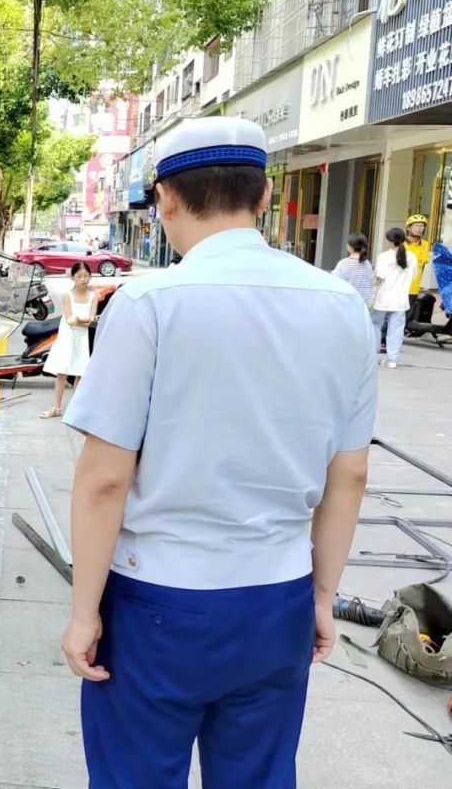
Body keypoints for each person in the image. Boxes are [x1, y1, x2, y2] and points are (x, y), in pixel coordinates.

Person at [61, 117, 376, 788]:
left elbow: (104, 481)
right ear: (264, 196)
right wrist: (322, 598)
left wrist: (85, 612)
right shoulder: (341, 305)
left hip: (158, 600)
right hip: (277, 598)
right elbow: (349, 472)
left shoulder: (148, 303)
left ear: (165, 199)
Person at [41, 262, 95, 419]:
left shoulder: (93, 297)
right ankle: (56, 407)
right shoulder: (67, 295)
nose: (83, 279)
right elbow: (70, 319)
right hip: (67, 338)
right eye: (79, 276)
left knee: (80, 373)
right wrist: (82, 321)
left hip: (82, 338)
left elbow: (91, 319)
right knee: (61, 373)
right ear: (73, 277)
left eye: (86, 276)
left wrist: (79, 320)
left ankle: (75, 409)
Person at [372, 226, 418, 369]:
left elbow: (379, 277)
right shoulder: (412, 257)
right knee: (396, 330)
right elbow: (414, 276)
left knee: (376, 326)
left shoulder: (384, 256)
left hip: (382, 299)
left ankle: (372, 357)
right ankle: (392, 360)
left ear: (390, 241)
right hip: (401, 300)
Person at [332, 232, 374, 303]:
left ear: (350, 246)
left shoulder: (343, 263)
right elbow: (371, 284)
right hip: (363, 304)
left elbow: (334, 282)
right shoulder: (368, 264)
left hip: (347, 303)